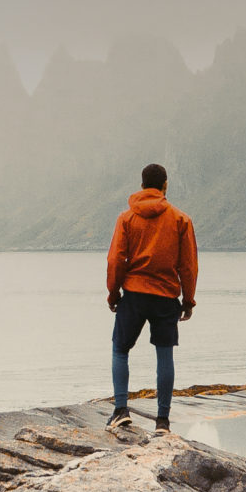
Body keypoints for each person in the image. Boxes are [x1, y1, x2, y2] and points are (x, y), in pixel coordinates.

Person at [106, 162, 197, 433]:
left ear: (142, 184)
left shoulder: (126, 218)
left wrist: (113, 293)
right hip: (166, 295)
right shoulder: (180, 219)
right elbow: (188, 265)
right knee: (164, 354)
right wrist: (188, 300)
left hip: (133, 294)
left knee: (120, 350)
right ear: (165, 185)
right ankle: (162, 421)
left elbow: (116, 259)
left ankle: (121, 410)